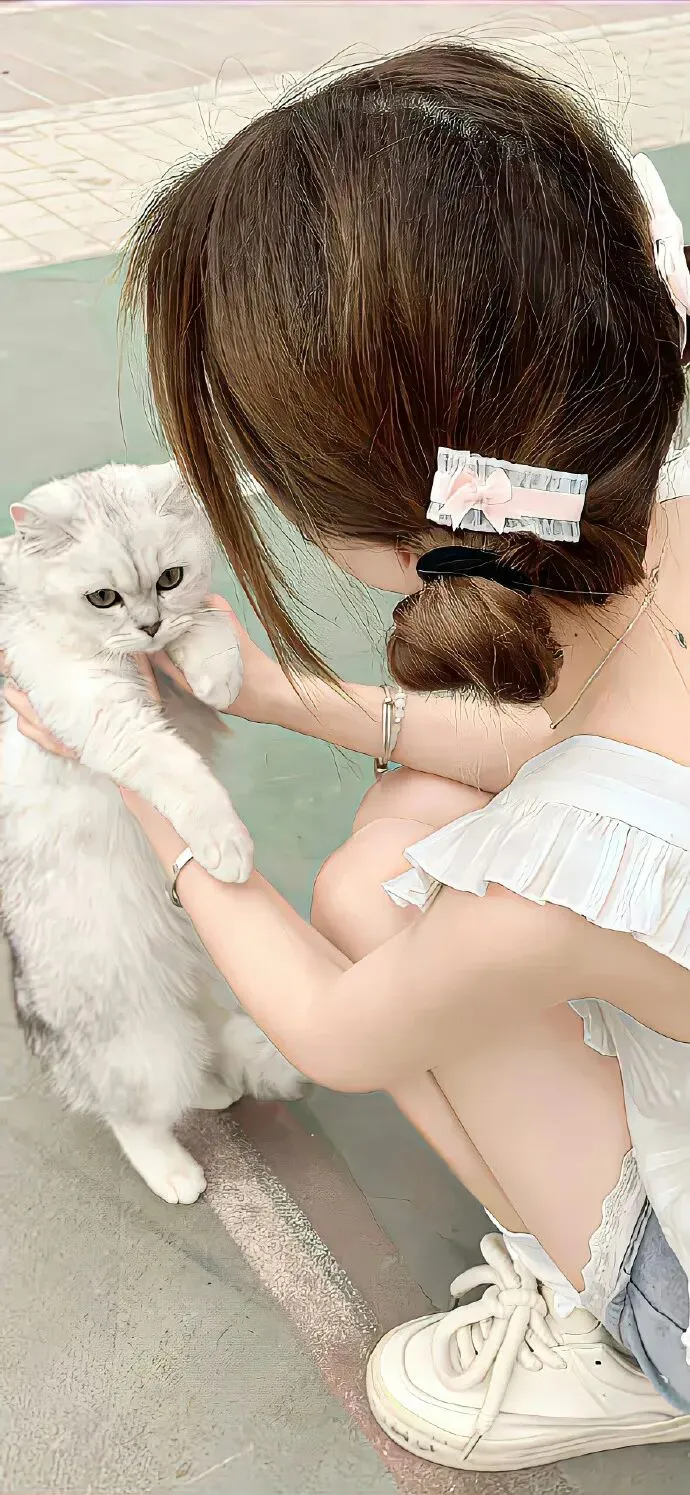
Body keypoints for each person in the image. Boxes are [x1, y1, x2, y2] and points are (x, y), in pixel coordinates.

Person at [7, 42, 690, 1472]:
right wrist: (265, 691)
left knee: (379, 893)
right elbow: (583, 732)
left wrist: (138, 776)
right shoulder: (643, 478)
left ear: (357, 523)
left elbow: (331, 1030)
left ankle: (629, 1341)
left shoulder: (568, 873)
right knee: (410, 830)